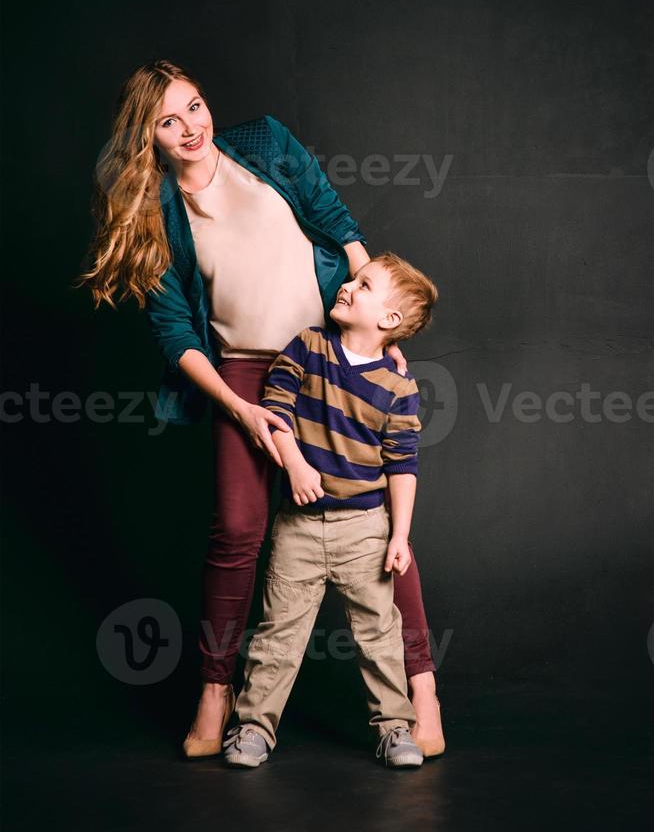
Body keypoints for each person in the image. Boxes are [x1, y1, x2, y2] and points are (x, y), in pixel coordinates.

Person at [74, 60, 445, 759]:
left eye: (194, 106)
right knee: (239, 531)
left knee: (377, 524)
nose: (190, 127)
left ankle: (420, 689)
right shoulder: (156, 213)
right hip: (241, 373)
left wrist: (379, 334)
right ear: (147, 137)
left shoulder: (267, 144)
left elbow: (337, 223)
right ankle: (217, 694)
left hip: (330, 358)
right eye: (168, 121)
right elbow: (177, 333)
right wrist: (240, 411)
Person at [223, 253, 437, 768]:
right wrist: (294, 464)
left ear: (388, 321)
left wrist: (398, 536)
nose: (346, 286)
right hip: (298, 528)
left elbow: (402, 466)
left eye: (363, 286)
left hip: (365, 528)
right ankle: (253, 727)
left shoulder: (399, 388)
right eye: (353, 279)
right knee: (279, 634)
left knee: (379, 635)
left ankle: (394, 728)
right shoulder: (309, 347)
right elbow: (276, 407)